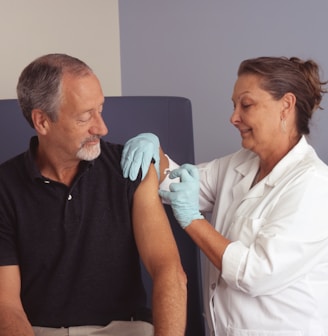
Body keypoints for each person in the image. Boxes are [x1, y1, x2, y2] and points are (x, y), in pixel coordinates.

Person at [121, 56, 328, 335]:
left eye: (246, 105)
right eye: (234, 106)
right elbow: (179, 183)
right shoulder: (239, 164)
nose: (234, 118)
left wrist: (193, 220)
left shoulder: (314, 185)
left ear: (286, 106)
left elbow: (255, 274)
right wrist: (156, 154)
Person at [0, 53, 187, 336]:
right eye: (85, 116)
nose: (102, 127)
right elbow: (6, 305)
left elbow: (169, 271)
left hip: (125, 328)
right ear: (42, 121)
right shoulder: (4, 187)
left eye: (100, 109)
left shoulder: (129, 168)